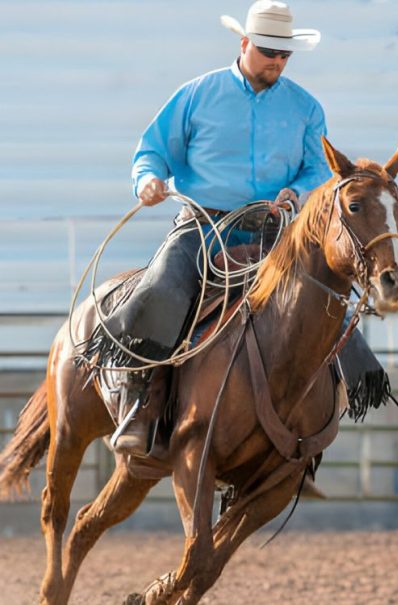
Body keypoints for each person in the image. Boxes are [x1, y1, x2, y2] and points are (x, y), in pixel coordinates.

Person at [88, 1, 331, 457]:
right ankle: (142, 401)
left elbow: (319, 169)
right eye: (267, 51)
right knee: (162, 288)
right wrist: (148, 181)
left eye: (284, 55)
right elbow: (151, 151)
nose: (276, 62)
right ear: (244, 44)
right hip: (202, 224)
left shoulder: (306, 108)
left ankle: (329, 403)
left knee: (325, 297)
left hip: (271, 232)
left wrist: (296, 193)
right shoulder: (197, 95)